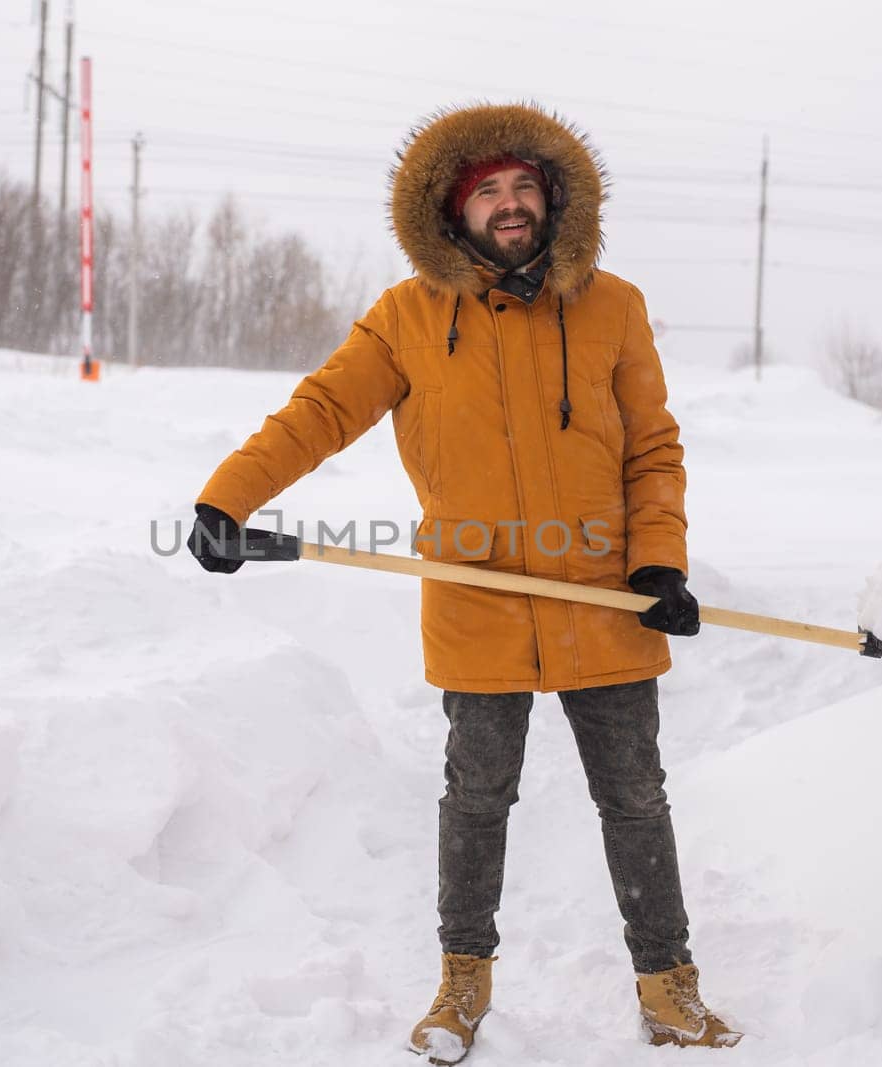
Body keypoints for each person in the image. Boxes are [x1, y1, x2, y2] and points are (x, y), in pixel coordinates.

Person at [186, 102, 740, 1062]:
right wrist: (229, 497)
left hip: (604, 596)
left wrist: (661, 559)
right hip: (477, 597)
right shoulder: (409, 316)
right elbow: (321, 409)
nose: (511, 204)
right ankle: (462, 981)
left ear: (556, 198)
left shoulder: (614, 306)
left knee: (636, 797)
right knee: (476, 798)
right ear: (451, 209)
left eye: (526, 186)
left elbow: (652, 446)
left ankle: (668, 983)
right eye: (489, 190)